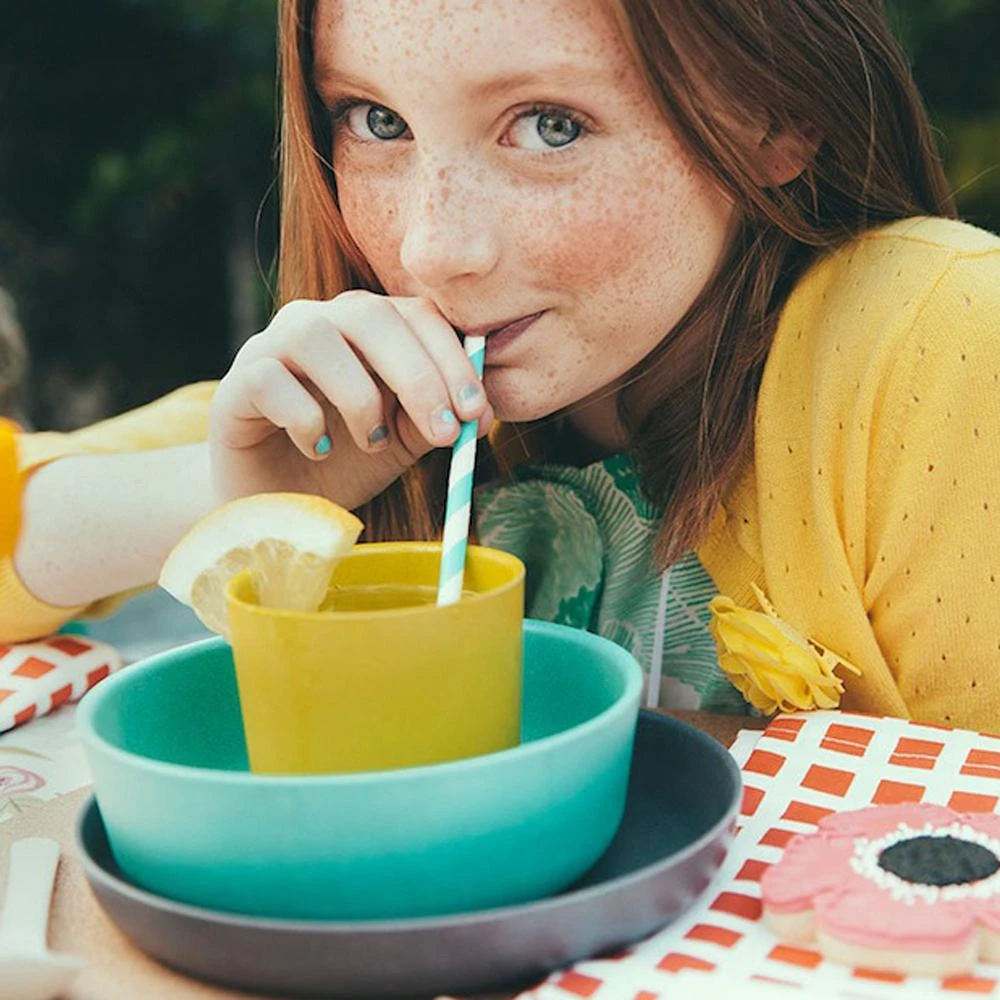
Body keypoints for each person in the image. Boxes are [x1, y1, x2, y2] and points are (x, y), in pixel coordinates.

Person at [2, 0, 998, 728]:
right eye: (375, 121)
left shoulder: (935, 339)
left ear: (770, 115)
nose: (435, 251)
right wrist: (238, 497)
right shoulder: (366, 387)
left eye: (548, 124)